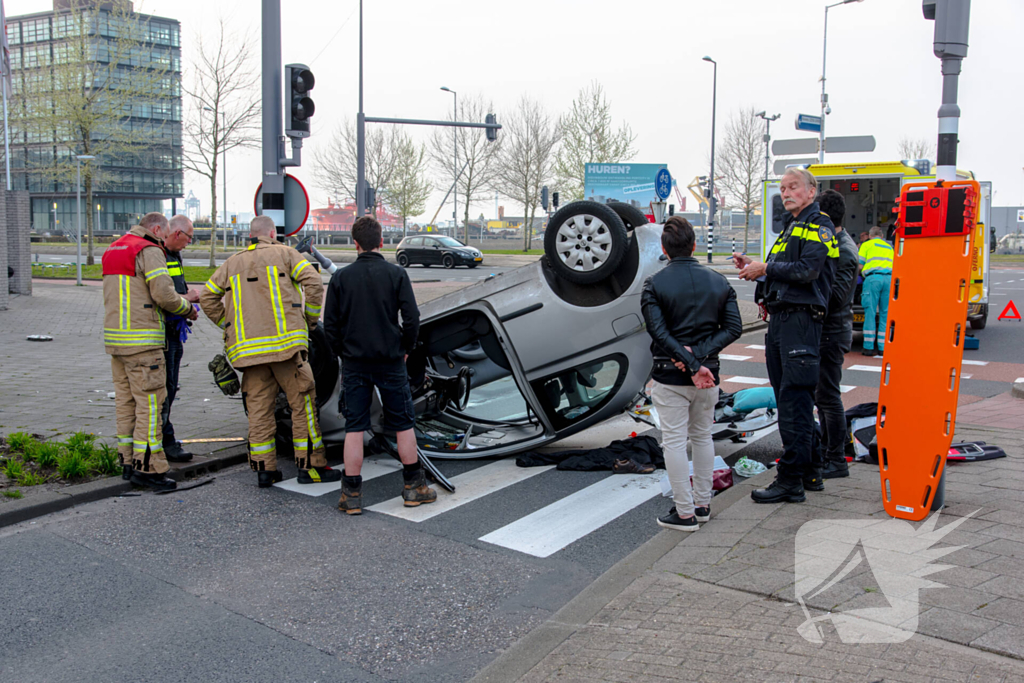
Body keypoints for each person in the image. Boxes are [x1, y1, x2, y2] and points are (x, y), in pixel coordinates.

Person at [198, 216, 340, 488]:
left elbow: (207, 297)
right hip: (286, 350)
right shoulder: (287, 254)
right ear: (272, 233)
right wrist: (309, 321)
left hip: (249, 354)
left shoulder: (231, 263)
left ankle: (265, 470)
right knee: (303, 406)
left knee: (259, 412)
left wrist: (230, 326)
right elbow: (312, 281)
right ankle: (310, 468)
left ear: (250, 236)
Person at [733, 168, 838, 504]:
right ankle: (809, 470)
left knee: (793, 402)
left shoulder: (817, 224)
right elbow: (785, 273)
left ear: (811, 191)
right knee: (792, 401)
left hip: (799, 323)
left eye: (793, 187)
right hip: (783, 321)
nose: (786, 192)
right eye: (783, 187)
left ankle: (790, 480)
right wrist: (755, 267)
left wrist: (766, 268)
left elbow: (808, 271)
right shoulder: (792, 227)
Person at [323, 215, 436, 515]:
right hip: (390, 360)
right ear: (382, 241)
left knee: (355, 426)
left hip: (356, 363)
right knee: (403, 423)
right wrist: (405, 348)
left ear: (355, 243)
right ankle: (414, 487)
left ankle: (352, 495)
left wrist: (343, 352)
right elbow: (412, 319)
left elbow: (330, 326)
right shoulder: (396, 275)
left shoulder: (341, 278)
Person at [642, 216, 742, 531]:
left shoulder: (654, 284)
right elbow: (734, 328)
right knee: (702, 437)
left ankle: (683, 513)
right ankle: (702, 505)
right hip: (708, 376)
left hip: (669, 375)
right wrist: (699, 361)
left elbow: (658, 332)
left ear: (663, 248)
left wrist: (688, 359)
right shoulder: (719, 281)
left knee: (672, 441)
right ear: (695, 245)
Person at [102, 212, 197, 491]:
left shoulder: (114, 248)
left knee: (126, 403)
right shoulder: (149, 249)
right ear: (156, 228)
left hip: (117, 342)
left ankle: (128, 462)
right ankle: (149, 469)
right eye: (162, 233)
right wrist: (188, 309)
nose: (162, 239)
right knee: (151, 406)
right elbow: (164, 295)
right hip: (143, 342)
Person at [815, 190, 859, 480]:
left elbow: (838, 296)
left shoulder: (843, 250)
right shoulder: (840, 245)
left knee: (828, 396)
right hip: (829, 331)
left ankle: (837, 459)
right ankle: (834, 449)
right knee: (823, 396)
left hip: (831, 331)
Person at [152, 215, 200, 463]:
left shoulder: (172, 255)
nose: (189, 243)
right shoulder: (158, 254)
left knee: (170, 387)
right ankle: (163, 441)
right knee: (165, 388)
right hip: (164, 333)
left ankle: (161, 438)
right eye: (189, 238)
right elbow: (165, 295)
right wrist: (188, 300)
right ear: (177, 233)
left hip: (173, 330)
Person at [859, 226, 894, 357]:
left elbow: (860, 265)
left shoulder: (867, 245)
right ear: (882, 235)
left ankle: (868, 347)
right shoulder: (889, 248)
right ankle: (883, 347)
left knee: (870, 312)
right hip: (889, 279)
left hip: (873, 279)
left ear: (870, 235)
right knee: (885, 313)